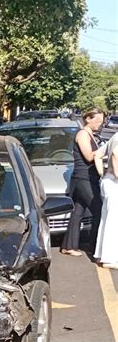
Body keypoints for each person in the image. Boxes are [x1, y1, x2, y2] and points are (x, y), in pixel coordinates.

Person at [61, 107, 104, 256]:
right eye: (97, 120)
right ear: (88, 119)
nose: (100, 123)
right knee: (98, 210)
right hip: (83, 178)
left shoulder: (92, 135)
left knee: (78, 212)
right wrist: (105, 151)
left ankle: (69, 246)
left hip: (89, 177)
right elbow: (89, 156)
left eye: (102, 120)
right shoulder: (83, 134)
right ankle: (95, 247)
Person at [93, 131, 118, 269]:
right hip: (115, 182)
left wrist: (102, 174)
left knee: (107, 219)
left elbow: (97, 155)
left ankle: (101, 254)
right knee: (113, 221)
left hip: (109, 180)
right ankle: (109, 258)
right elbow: (115, 153)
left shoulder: (115, 136)